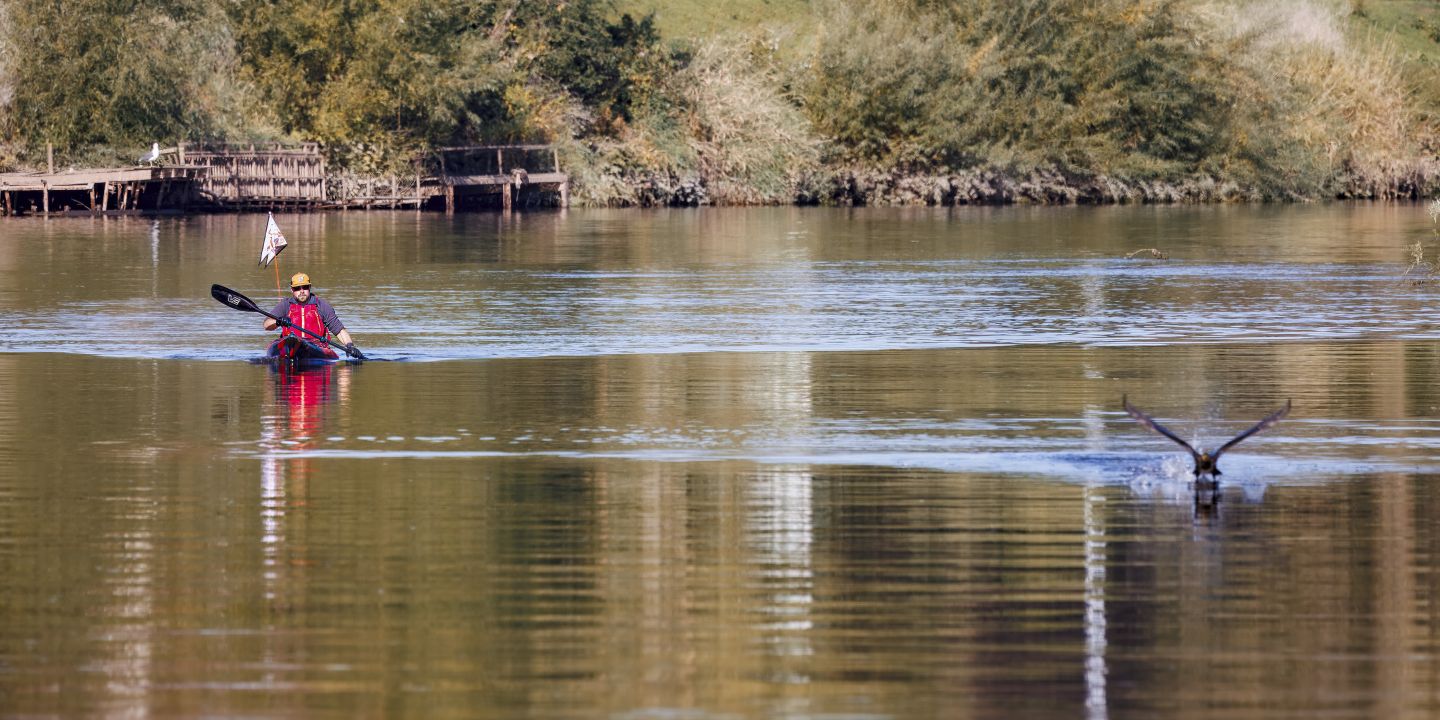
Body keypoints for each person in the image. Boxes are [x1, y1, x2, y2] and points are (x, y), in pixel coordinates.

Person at [264, 272, 366, 359]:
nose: (302, 291)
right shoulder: (285, 305)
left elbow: (339, 330)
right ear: (292, 290)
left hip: (316, 345)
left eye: (305, 287)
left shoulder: (321, 305)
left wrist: (350, 345)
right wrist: (278, 321)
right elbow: (266, 325)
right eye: (297, 288)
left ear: (310, 287)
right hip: (289, 342)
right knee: (291, 340)